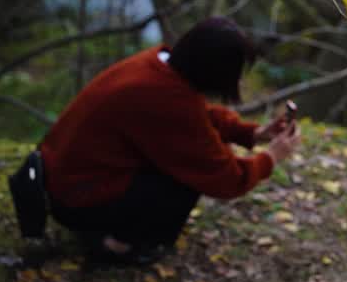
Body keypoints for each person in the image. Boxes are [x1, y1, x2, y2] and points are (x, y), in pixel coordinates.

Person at [37, 17, 300, 264]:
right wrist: (272, 157)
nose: (239, 80)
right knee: (183, 182)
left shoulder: (159, 65)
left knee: (184, 167)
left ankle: (114, 231)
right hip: (75, 199)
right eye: (235, 72)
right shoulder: (166, 98)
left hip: (62, 179)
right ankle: (114, 246)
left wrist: (252, 134)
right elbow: (226, 178)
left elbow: (198, 115)